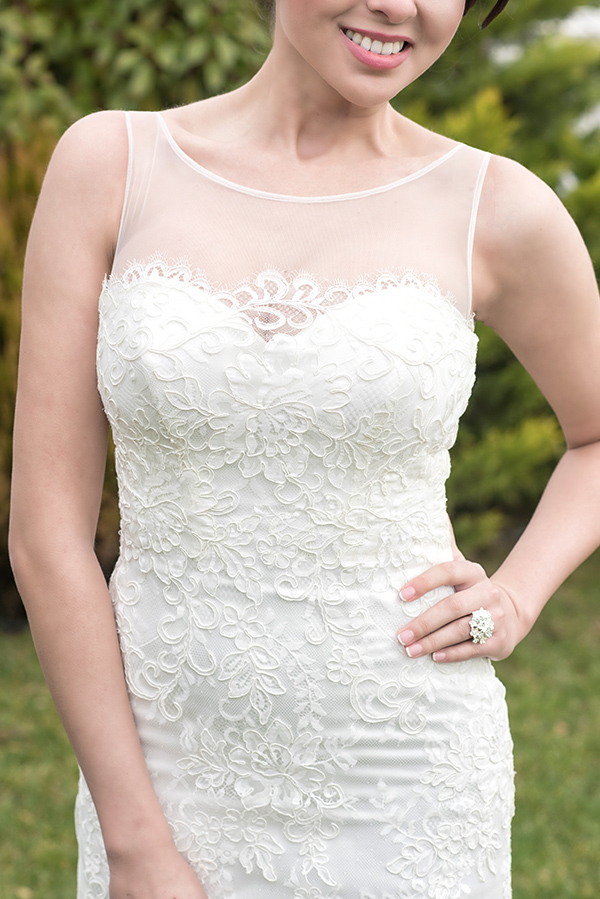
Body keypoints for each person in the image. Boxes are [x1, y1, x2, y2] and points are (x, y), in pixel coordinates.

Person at [9, 0, 600, 897]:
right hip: (166, 774)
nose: (399, 5)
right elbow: (46, 536)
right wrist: (134, 840)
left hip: (406, 777)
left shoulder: (496, 206)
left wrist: (516, 597)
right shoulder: (113, 165)